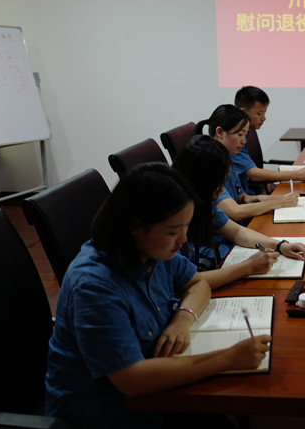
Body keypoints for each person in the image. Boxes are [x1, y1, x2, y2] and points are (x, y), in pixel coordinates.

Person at [45, 163, 270, 428]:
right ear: (134, 226)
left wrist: (182, 320)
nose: (183, 240)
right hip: (110, 414)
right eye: (174, 231)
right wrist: (228, 358)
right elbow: (132, 379)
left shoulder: (152, 249)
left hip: (162, 396)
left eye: (185, 227)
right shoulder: (94, 286)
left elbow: (197, 283)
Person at [172, 134, 305, 282]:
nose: (221, 191)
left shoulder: (201, 202)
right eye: (217, 184)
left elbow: (237, 232)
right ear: (201, 182)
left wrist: (280, 245)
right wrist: (247, 267)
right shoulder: (171, 217)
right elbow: (188, 282)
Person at [194, 104, 299, 223]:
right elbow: (235, 212)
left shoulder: (228, 158)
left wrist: (277, 199)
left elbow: (243, 198)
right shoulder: (209, 165)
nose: (244, 141)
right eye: (240, 135)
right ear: (220, 132)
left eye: (245, 135)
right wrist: (278, 202)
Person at [232, 86, 305, 194]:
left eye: (264, 113)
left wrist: (267, 181)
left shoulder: (247, 131)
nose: (264, 118)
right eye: (259, 113)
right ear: (243, 113)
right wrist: (297, 175)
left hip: (252, 191)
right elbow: (253, 174)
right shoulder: (233, 139)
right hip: (247, 194)